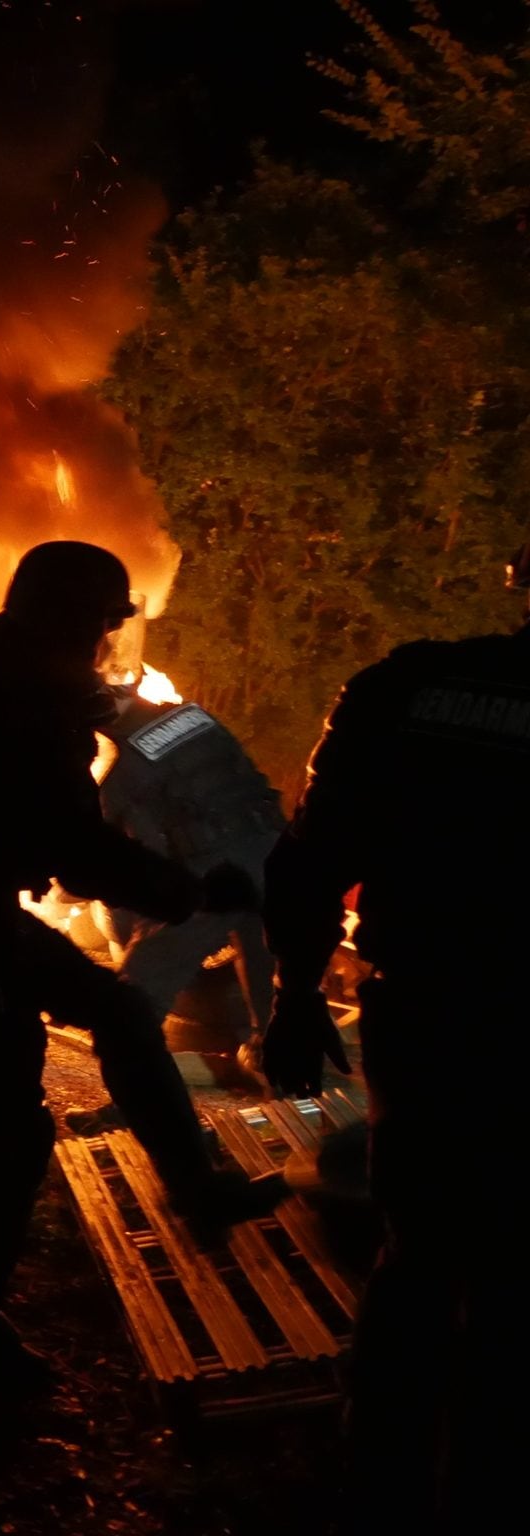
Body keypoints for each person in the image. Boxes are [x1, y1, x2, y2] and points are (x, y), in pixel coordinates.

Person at [0, 540, 286, 1395]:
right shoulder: (32, 698)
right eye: (102, 622)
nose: (105, 640)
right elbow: (75, 849)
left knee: (113, 1017)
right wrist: (185, 888)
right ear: (73, 614)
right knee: (17, 1125)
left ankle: (196, 1189)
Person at [261, 538, 530, 1534]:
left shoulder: (407, 687)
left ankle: (378, 1487)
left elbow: (307, 863)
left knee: (417, 1253)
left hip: (425, 1021)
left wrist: (292, 1000)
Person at [61, 687, 288, 1136]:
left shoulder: (123, 767)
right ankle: (286, 1099)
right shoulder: (194, 717)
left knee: (137, 994)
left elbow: (139, 853)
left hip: (216, 873)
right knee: (270, 991)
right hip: (273, 855)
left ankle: (134, 1104)